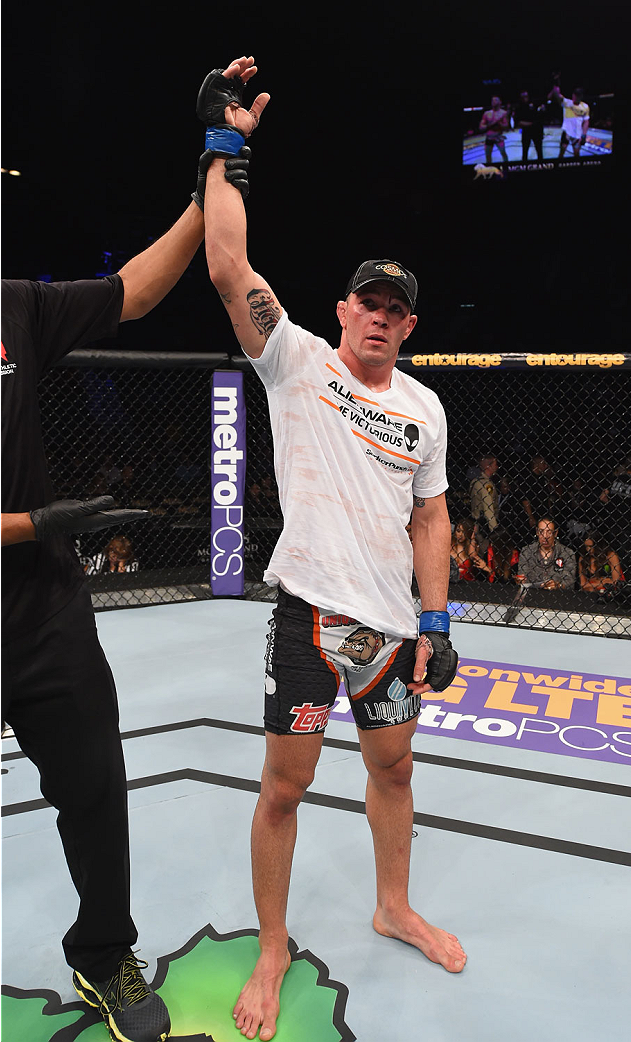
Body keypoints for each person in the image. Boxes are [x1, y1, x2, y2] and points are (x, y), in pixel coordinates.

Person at [201, 55, 465, 1042]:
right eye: (371, 304)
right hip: (308, 617)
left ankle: (391, 904)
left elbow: (431, 516)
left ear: (408, 324)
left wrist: (436, 618)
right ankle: (272, 947)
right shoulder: (299, 362)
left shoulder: (425, 407)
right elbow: (229, 267)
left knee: (392, 770)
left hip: (390, 630)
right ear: (346, 308)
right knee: (286, 785)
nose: (384, 320)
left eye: (400, 310)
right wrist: (224, 150)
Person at [1, 150, 206, 1039]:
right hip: (35, 551)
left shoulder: (14, 306)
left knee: (94, 786)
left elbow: (134, 291)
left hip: (45, 611)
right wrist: (34, 521)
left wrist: (210, 187)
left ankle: (101, 956)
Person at [516, 517, 576, 590]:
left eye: (549, 532)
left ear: (555, 533)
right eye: (541, 531)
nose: (545, 536)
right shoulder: (527, 551)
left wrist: (558, 585)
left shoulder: (567, 553)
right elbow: (523, 576)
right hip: (532, 593)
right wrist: (521, 580)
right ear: (537, 532)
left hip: (558, 595)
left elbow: (570, 582)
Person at [548, 84, 590, 159]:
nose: (576, 97)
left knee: (577, 154)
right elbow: (556, 94)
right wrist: (556, 83)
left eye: (578, 95)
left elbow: (586, 122)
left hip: (577, 135)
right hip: (566, 133)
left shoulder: (585, 107)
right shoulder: (567, 102)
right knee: (561, 154)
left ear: (581, 96)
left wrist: (584, 135)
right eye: (575, 95)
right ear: (573, 95)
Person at [469, 454, 500, 550]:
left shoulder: (475, 481)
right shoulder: (486, 485)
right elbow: (488, 509)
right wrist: (495, 532)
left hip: (476, 523)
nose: (497, 467)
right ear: (488, 466)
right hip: (484, 528)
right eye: (495, 464)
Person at [479, 96, 510, 168]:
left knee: (503, 153)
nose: (493, 102)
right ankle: (489, 170)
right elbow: (481, 127)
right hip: (489, 137)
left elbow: (506, 126)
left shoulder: (503, 113)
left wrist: (499, 124)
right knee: (488, 156)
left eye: (496, 100)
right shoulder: (487, 113)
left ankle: (507, 167)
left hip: (498, 137)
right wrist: (491, 124)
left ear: (500, 102)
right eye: (492, 100)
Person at [514, 90, 544, 161]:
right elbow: (519, 122)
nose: (525, 98)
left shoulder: (535, 103)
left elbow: (541, 115)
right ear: (520, 97)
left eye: (526, 96)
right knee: (525, 152)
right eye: (523, 96)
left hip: (537, 131)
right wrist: (532, 124)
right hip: (526, 132)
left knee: (539, 151)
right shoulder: (519, 107)